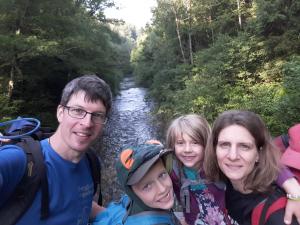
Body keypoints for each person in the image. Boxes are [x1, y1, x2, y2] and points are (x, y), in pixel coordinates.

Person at [0, 74, 112, 225]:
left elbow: (79, 204)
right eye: (78, 111)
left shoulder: (91, 162)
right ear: (60, 112)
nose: (87, 123)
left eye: (97, 115)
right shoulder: (19, 160)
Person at [166, 114, 300, 225]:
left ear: (207, 144)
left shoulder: (216, 166)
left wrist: (293, 188)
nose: (187, 149)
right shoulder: (174, 169)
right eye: (180, 143)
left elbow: (271, 165)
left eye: (195, 142)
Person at [204, 110, 300, 225]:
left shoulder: (278, 215)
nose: (232, 156)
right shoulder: (226, 183)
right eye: (224, 145)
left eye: (244, 146)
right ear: (214, 149)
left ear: (259, 154)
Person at [92, 142, 181, 225]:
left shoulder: (132, 200)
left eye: (162, 175)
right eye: (147, 186)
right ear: (132, 192)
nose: (162, 189)